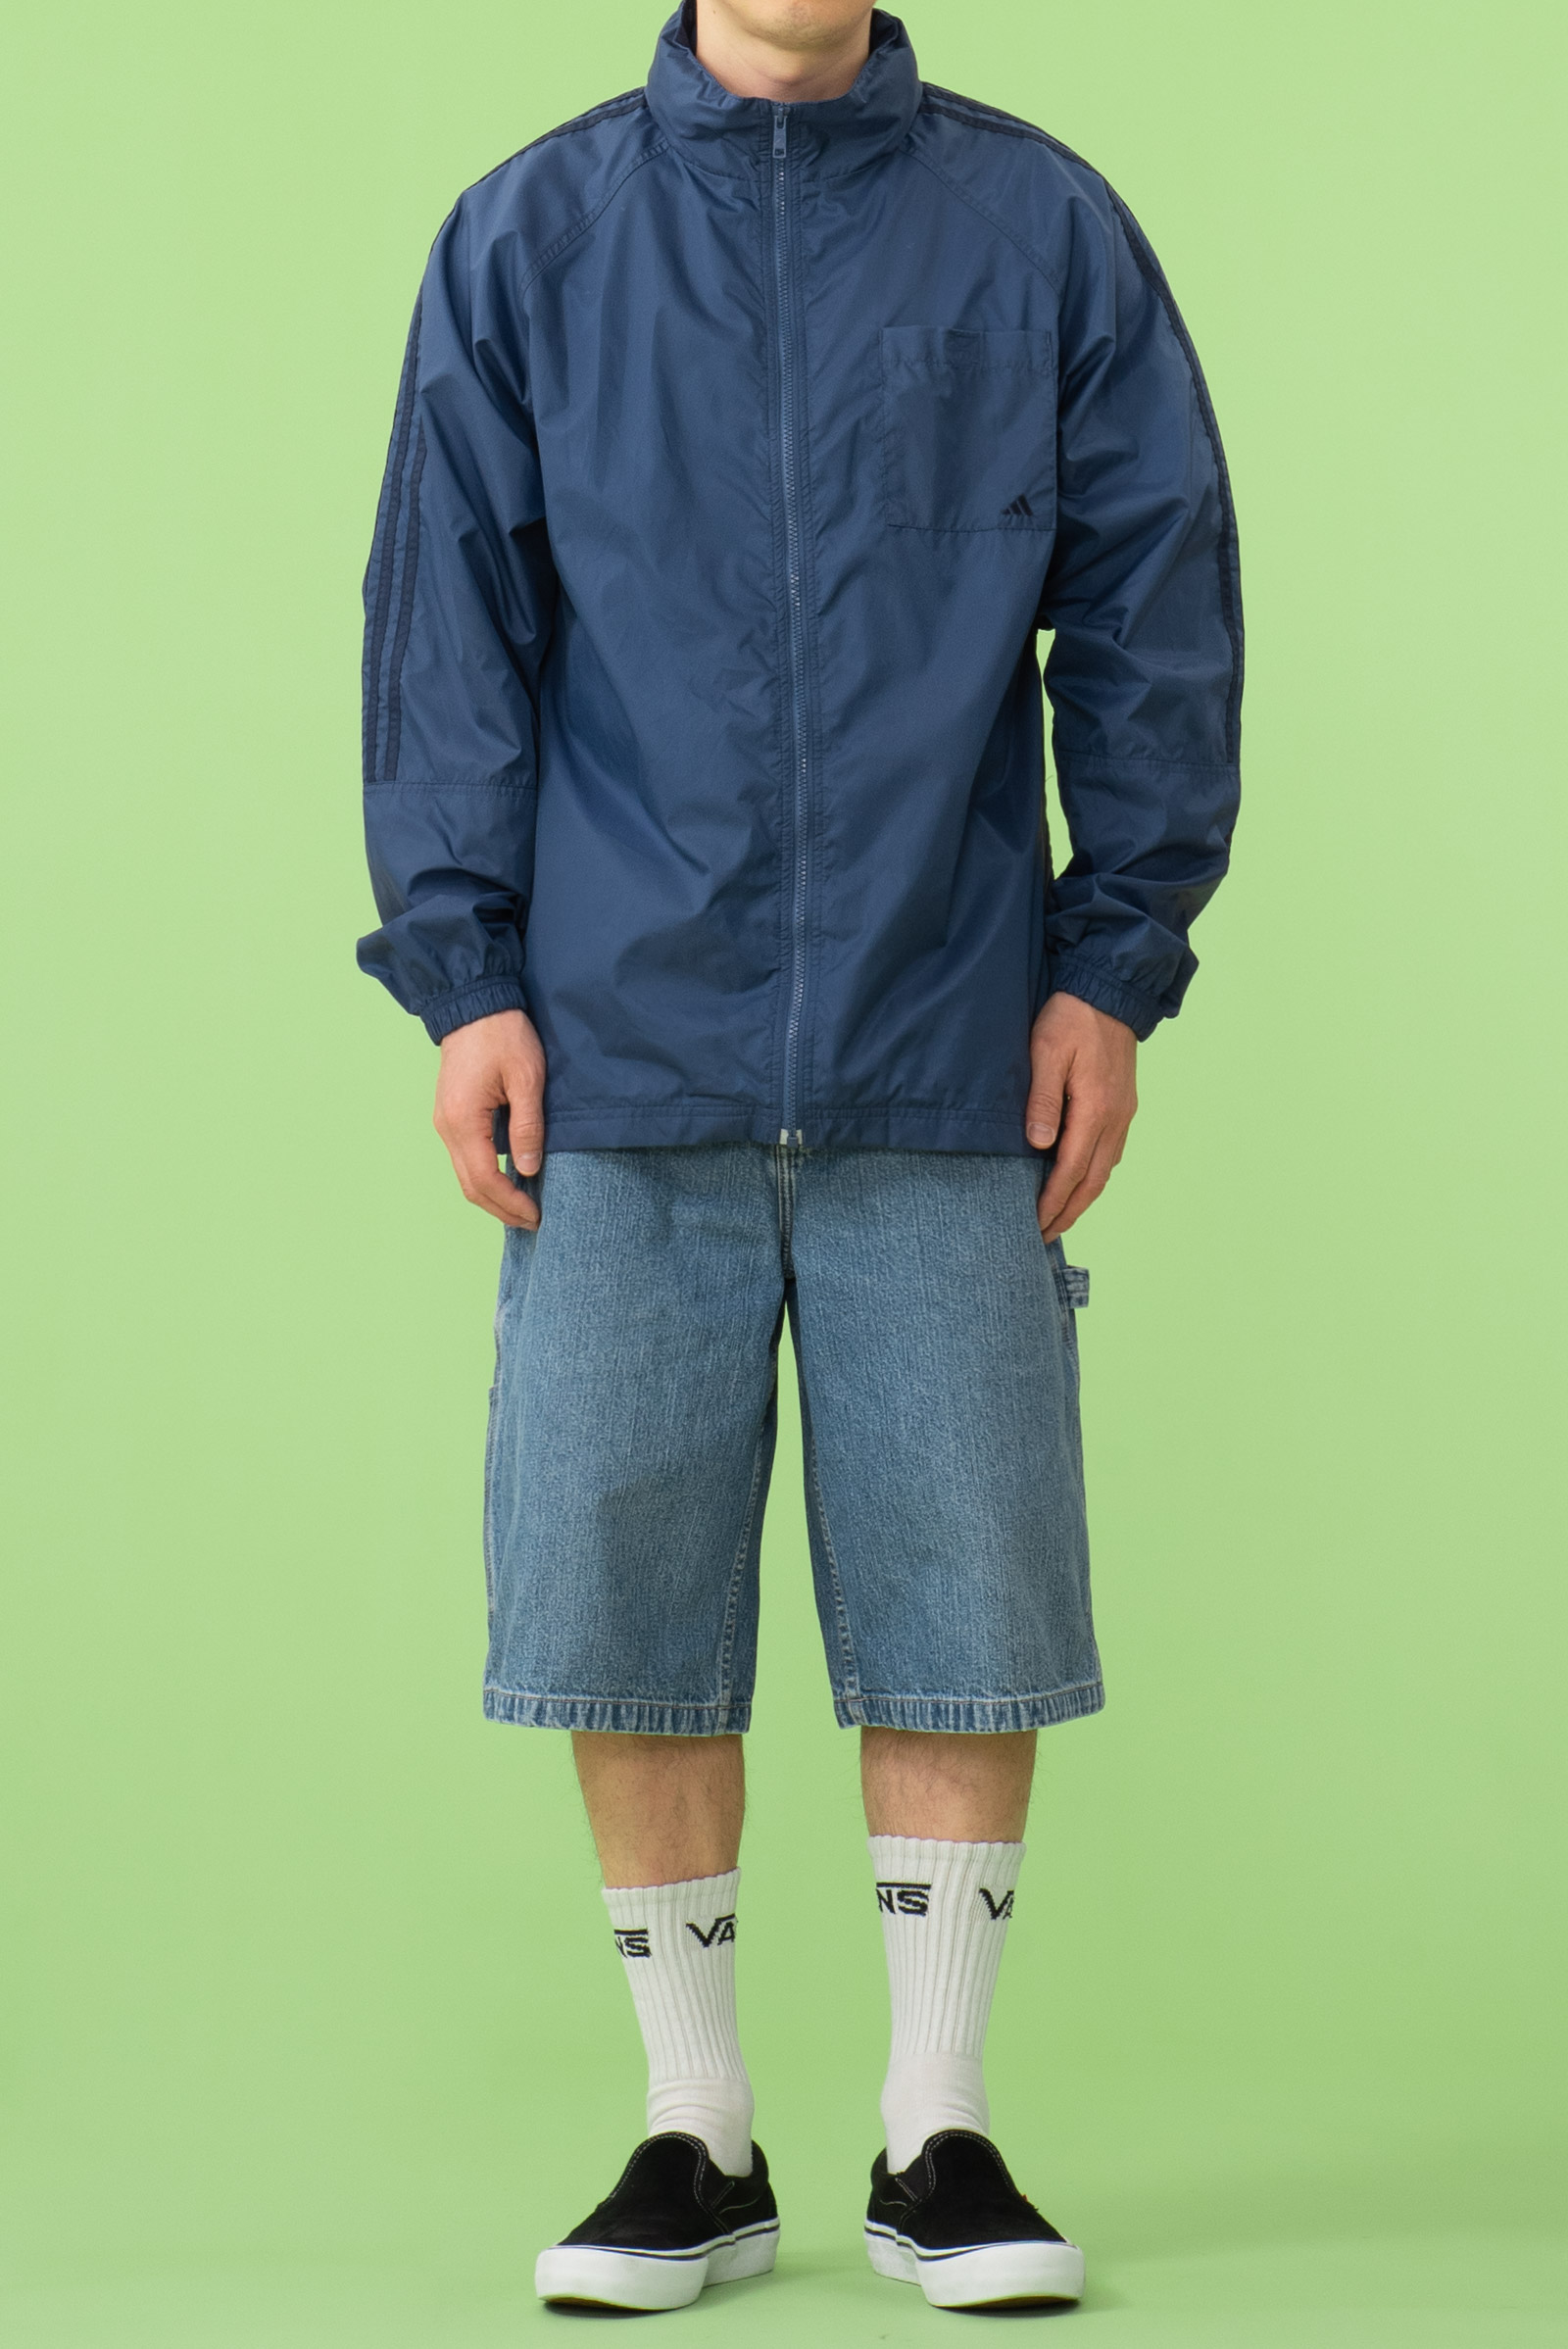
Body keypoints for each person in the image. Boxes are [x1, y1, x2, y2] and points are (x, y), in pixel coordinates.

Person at [358, 0, 1240, 2314]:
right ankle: (696, 2129)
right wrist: (462, 976)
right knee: (622, 1592)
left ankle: (936, 2130)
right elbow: (449, 625)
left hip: (945, 1037)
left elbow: (1149, 600)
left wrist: (1112, 961)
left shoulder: (1036, 230)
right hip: (616, 1044)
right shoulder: (532, 238)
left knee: (964, 1587)